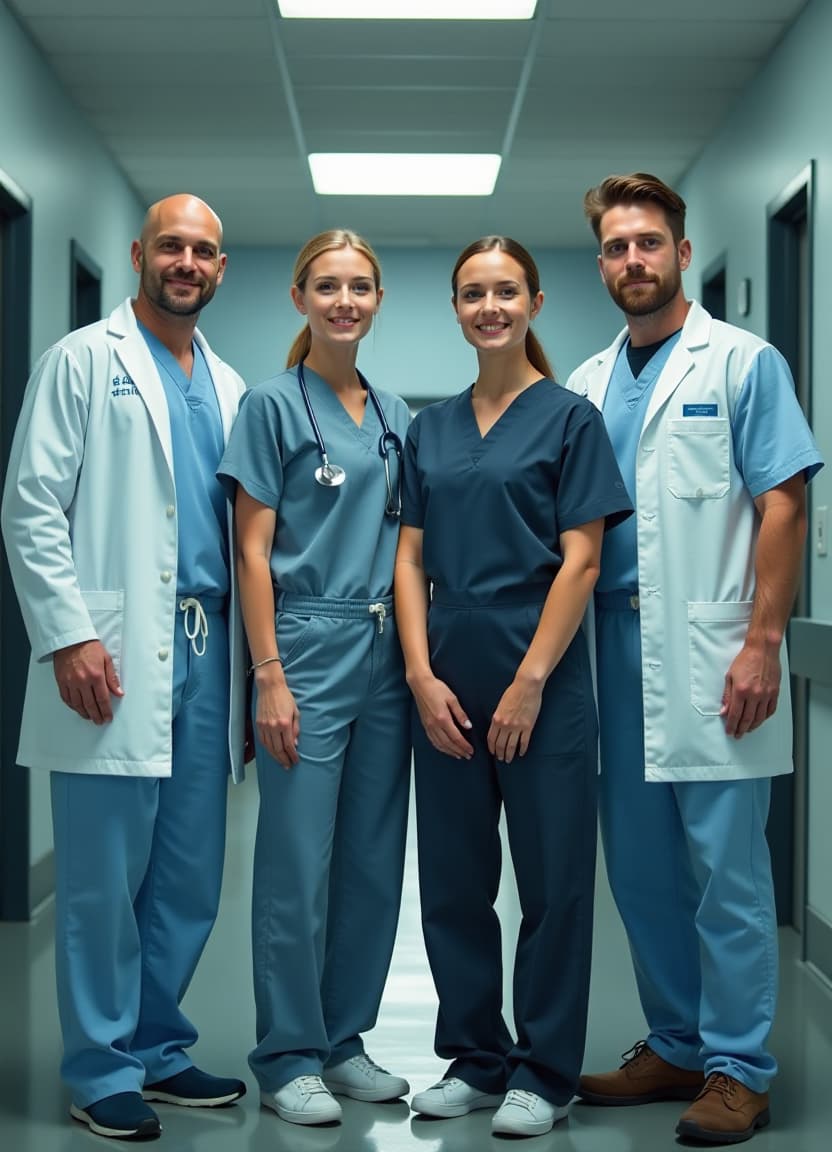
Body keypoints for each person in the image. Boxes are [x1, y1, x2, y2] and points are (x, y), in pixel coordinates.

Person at [567, 173, 824, 1145]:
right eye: (614, 247)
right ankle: (674, 1041)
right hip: (613, 654)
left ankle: (738, 1068)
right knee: (638, 873)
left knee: (726, 873)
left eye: (648, 243)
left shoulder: (742, 364)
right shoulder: (589, 383)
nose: (632, 260)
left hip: (718, 653)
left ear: (680, 251)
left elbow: (783, 504)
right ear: (599, 263)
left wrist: (763, 642)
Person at [1, 195, 249, 1141]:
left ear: (221, 270)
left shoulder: (227, 384)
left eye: (206, 252)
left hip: (204, 648)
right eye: (173, 247)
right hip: (109, 646)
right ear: (142, 254)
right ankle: (101, 1065)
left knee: (188, 872)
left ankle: (157, 1045)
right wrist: (67, 635)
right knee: (104, 875)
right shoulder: (81, 361)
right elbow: (31, 507)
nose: (188, 262)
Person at [394, 236, 632, 1138]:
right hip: (447, 675)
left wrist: (532, 682)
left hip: (544, 675)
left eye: (505, 291)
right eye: (471, 294)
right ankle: (476, 1057)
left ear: (532, 301)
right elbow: (410, 556)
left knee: (553, 882)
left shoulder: (571, 420)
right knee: (453, 880)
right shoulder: (432, 428)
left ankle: (544, 1070)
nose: (488, 308)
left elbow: (582, 559)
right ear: (456, 310)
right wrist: (419, 676)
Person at [217, 229, 411, 1127]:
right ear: (300, 298)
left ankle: (343, 1040)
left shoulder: (394, 414)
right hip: (302, 642)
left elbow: (410, 546)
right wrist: (268, 674)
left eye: (360, 286)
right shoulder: (270, 405)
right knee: (297, 862)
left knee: (373, 861)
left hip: (385, 650)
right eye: (327, 285)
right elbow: (251, 552)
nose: (345, 300)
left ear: (377, 301)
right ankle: (288, 1052)